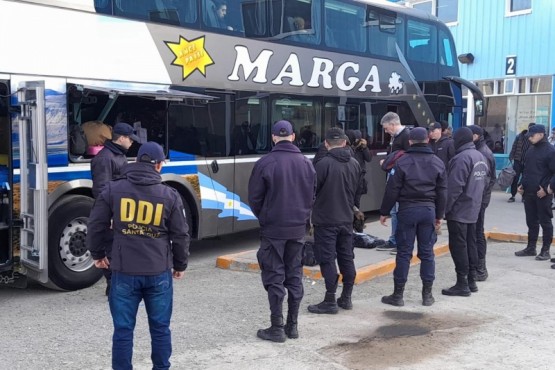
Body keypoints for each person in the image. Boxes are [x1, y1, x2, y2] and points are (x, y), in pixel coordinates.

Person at [86, 142, 190, 370]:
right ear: (159, 166)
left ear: (136, 161)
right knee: (160, 328)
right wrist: (180, 264)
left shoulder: (113, 190)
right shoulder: (169, 195)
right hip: (158, 272)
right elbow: (180, 234)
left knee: (123, 331)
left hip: (124, 272)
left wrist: (98, 254)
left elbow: (95, 225)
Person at [247, 120, 316, 343]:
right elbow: (312, 196)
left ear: (274, 137)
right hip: (298, 229)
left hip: (273, 229)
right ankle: (292, 326)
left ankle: (277, 327)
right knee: (294, 274)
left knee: (274, 275)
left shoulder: (265, 163)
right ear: (294, 137)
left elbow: (255, 199)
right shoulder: (307, 163)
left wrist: (266, 217)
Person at [379, 127, 447, 307]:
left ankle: (398, 295)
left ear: (410, 142)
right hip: (428, 211)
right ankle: (427, 295)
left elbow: (392, 189)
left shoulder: (402, 162)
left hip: (407, 210)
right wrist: (439, 215)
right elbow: (442, 192)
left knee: (403, 253)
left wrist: (384, 211)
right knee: (427, 253)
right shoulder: (437, 162)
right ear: (427, 140)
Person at [308, 127, 362, 314]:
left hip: (326, 220)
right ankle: (346, 297)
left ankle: (330, 299)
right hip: (346, 219)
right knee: (347, 257)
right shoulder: (354, 163)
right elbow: (356, 189)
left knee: (327, 259)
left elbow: (312, 191)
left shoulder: (323, 164)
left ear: (326, 143)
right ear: (345, 142)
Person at [91, 122, 140, 295]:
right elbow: (102, 190)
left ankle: (115, 286)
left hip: (119, 209)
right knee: (111, 248)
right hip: (111, 211)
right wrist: (111, 214)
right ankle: (112, 286)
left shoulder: (117, 155)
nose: (133, 142)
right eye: (130, 139)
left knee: (119, 248)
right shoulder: (105, 158)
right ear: (121, 138)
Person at [442, 127, 488, 297]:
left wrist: (443, 211)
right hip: (473, 208)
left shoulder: (461, 158)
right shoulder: (479, 156)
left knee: (458, 246)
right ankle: (471, 281)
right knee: (470, 244)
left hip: (459, 210)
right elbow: (485, 182)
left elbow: (454, 188)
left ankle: (462, 283)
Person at [514, 124, 555, 261]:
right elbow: (526, 170)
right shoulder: (530, 150)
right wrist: (521, 185)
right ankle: (531, 247)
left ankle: (545, 250)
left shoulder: (550, 151)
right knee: (531, 221)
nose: (530, 137)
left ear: (541, 134)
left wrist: (549, 189)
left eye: (532, 135)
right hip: (529, 192)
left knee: (545, 221)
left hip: (542, 193)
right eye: (529, 135)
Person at [377, 112, 410, 254]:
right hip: (393, 174)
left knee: (397, 211)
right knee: (394, 211)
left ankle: (398, 241)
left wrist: (389, 162)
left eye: (386, 128)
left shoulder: (406, 136)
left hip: (400, 178)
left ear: (393, 124)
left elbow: (407, 158)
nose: (386, 131)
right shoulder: (395, 137)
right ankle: (393, 239)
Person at [469, 125, 497, 281]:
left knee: (477, 233)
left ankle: (481, 269)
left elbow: (483, 181)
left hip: (479, 200)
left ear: (476, 136)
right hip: (479, 199)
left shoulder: (482, 153)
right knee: (475, 233)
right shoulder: (480, 150)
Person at [346, 129, 372, 208]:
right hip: (349, 178)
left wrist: (365, 148)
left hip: (359, 178)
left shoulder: (361, 148)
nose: (356, 141)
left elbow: (369, 158)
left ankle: (355, 217)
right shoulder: (347, 148)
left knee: (356, 201)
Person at [508, 123, 534, 202]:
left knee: (525, 179)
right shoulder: (519, 136)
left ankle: (524, 196)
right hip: (518, 160)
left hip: (528, 162)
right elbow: (514, 146)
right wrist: (511, 157)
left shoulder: (534, 139)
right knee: (515, 178)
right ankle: (513, 195)